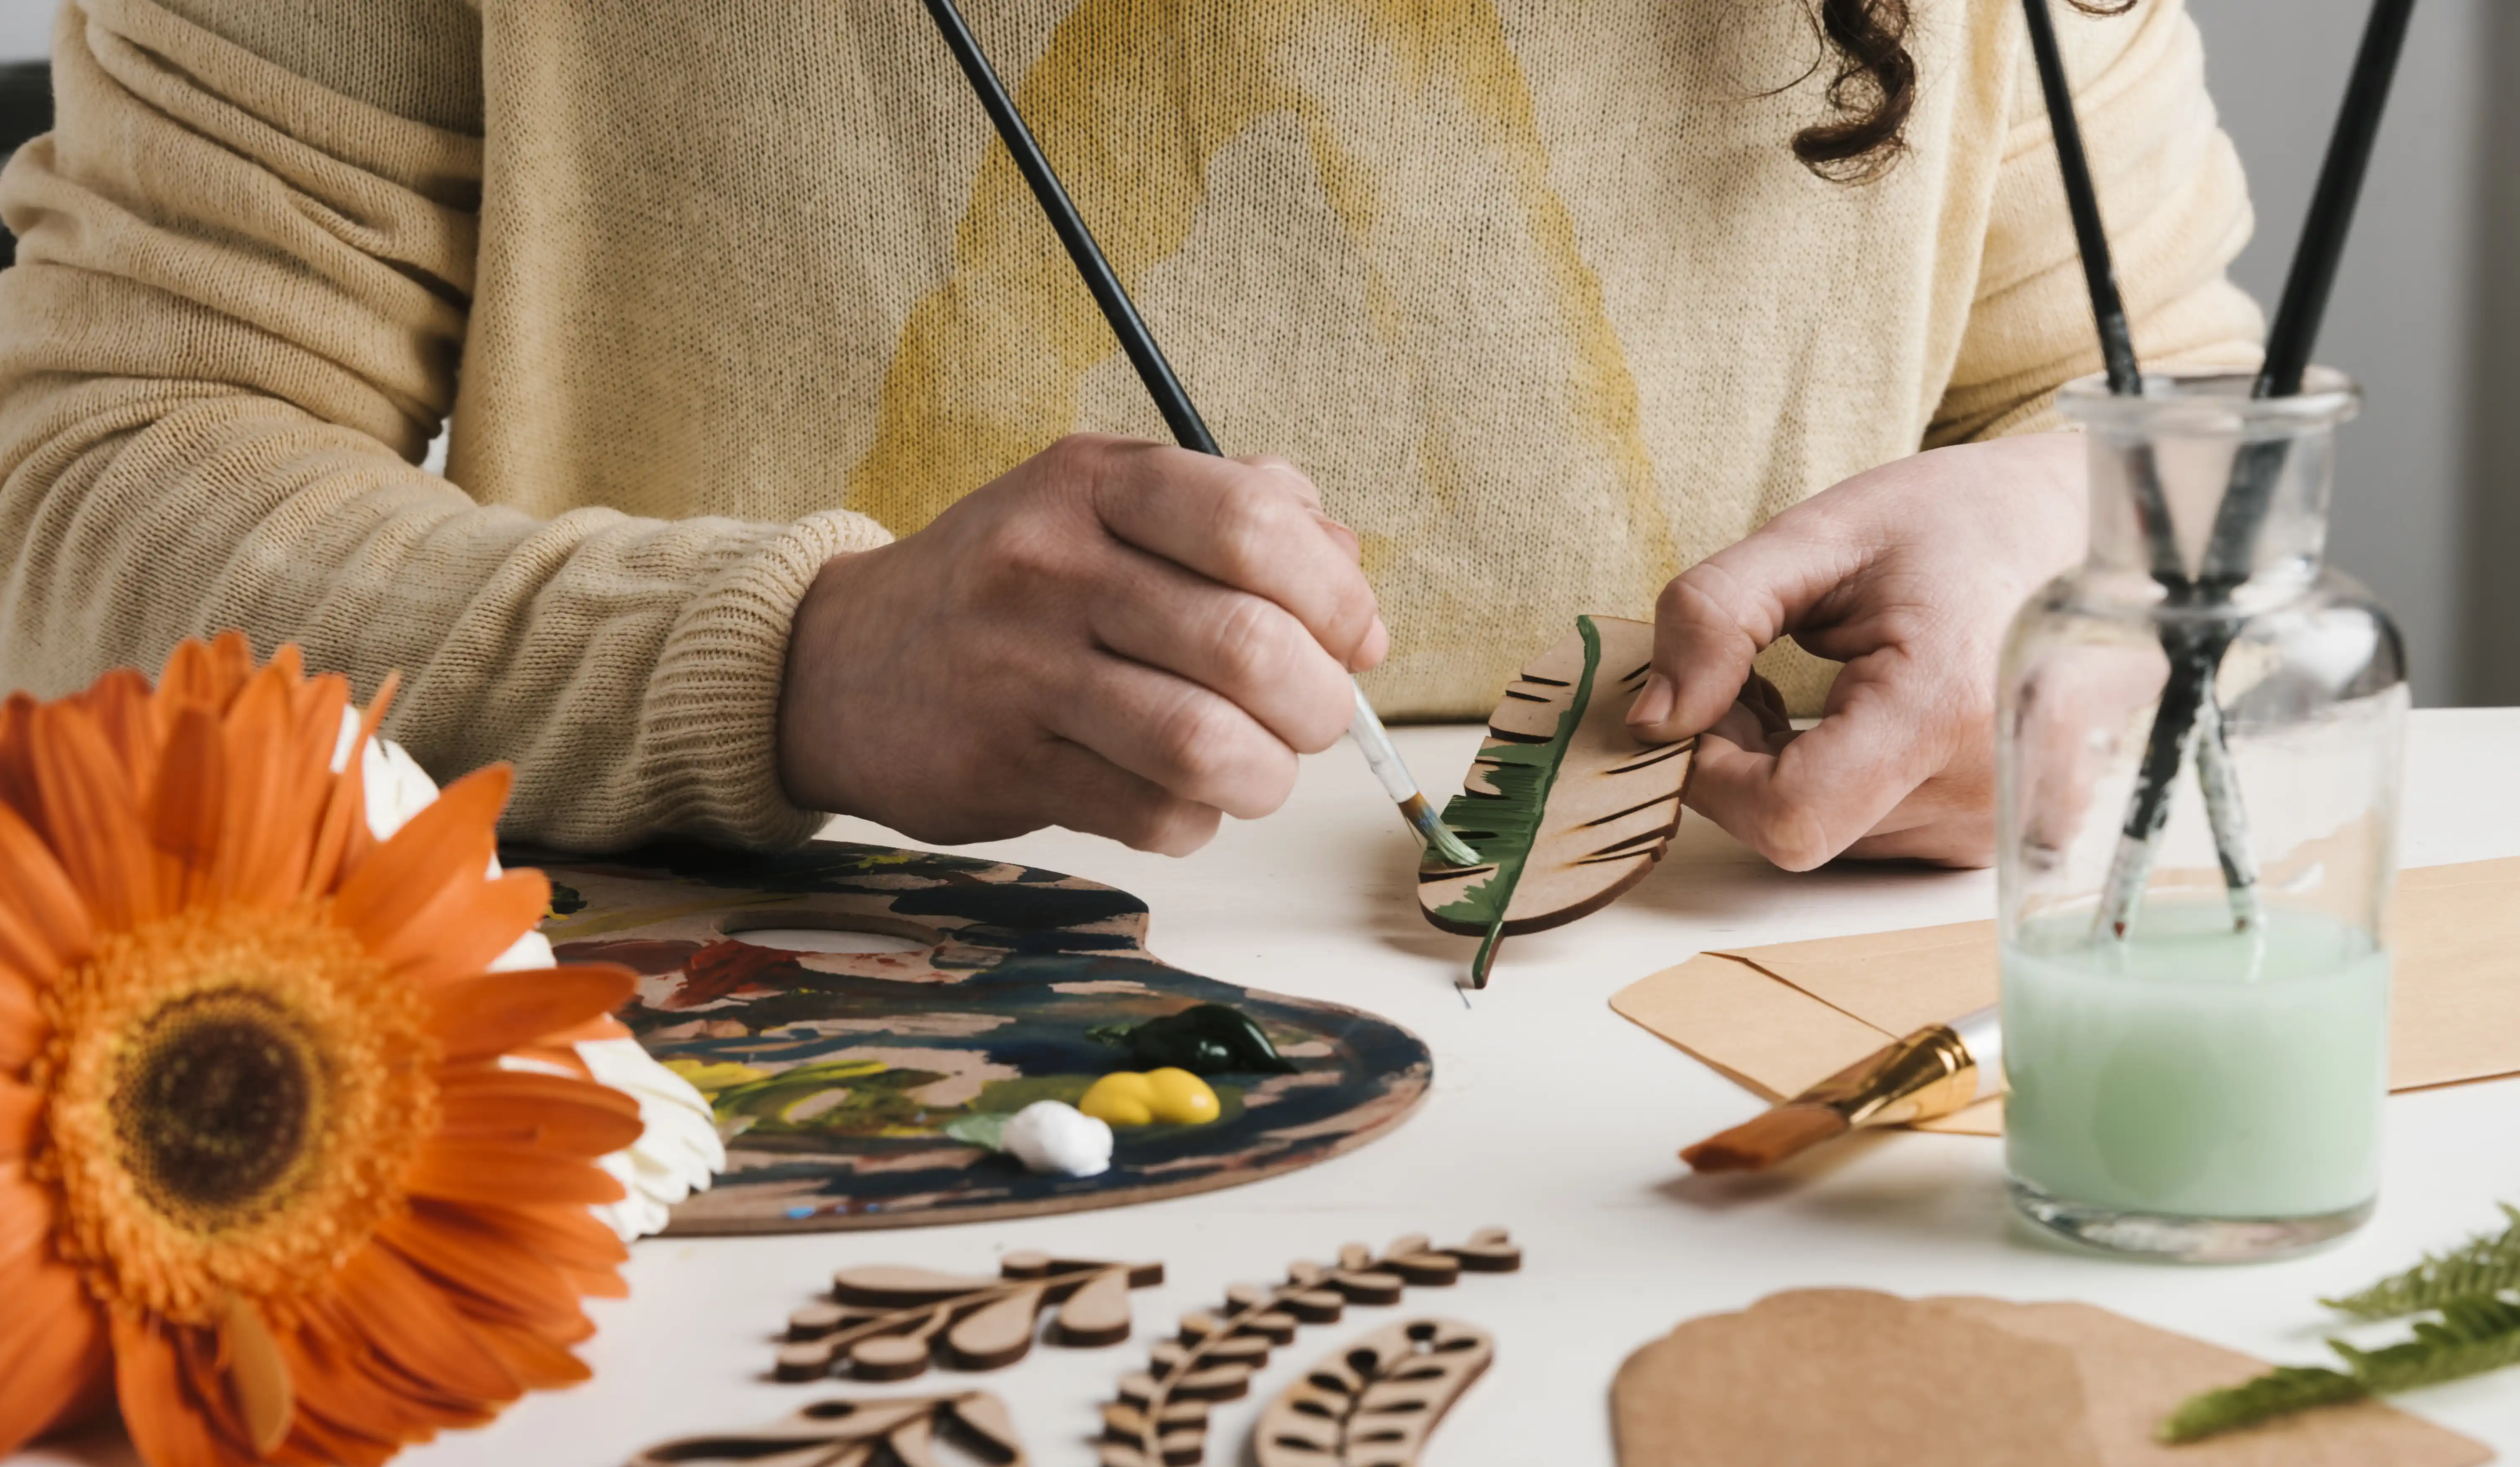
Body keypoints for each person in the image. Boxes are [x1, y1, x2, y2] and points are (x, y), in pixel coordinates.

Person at [0, 0, 2258, 871]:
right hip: (781, 1151)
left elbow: (2189, 421)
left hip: (1733, 1146)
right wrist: (793, 665)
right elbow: (88, 492)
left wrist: (2076, 568)